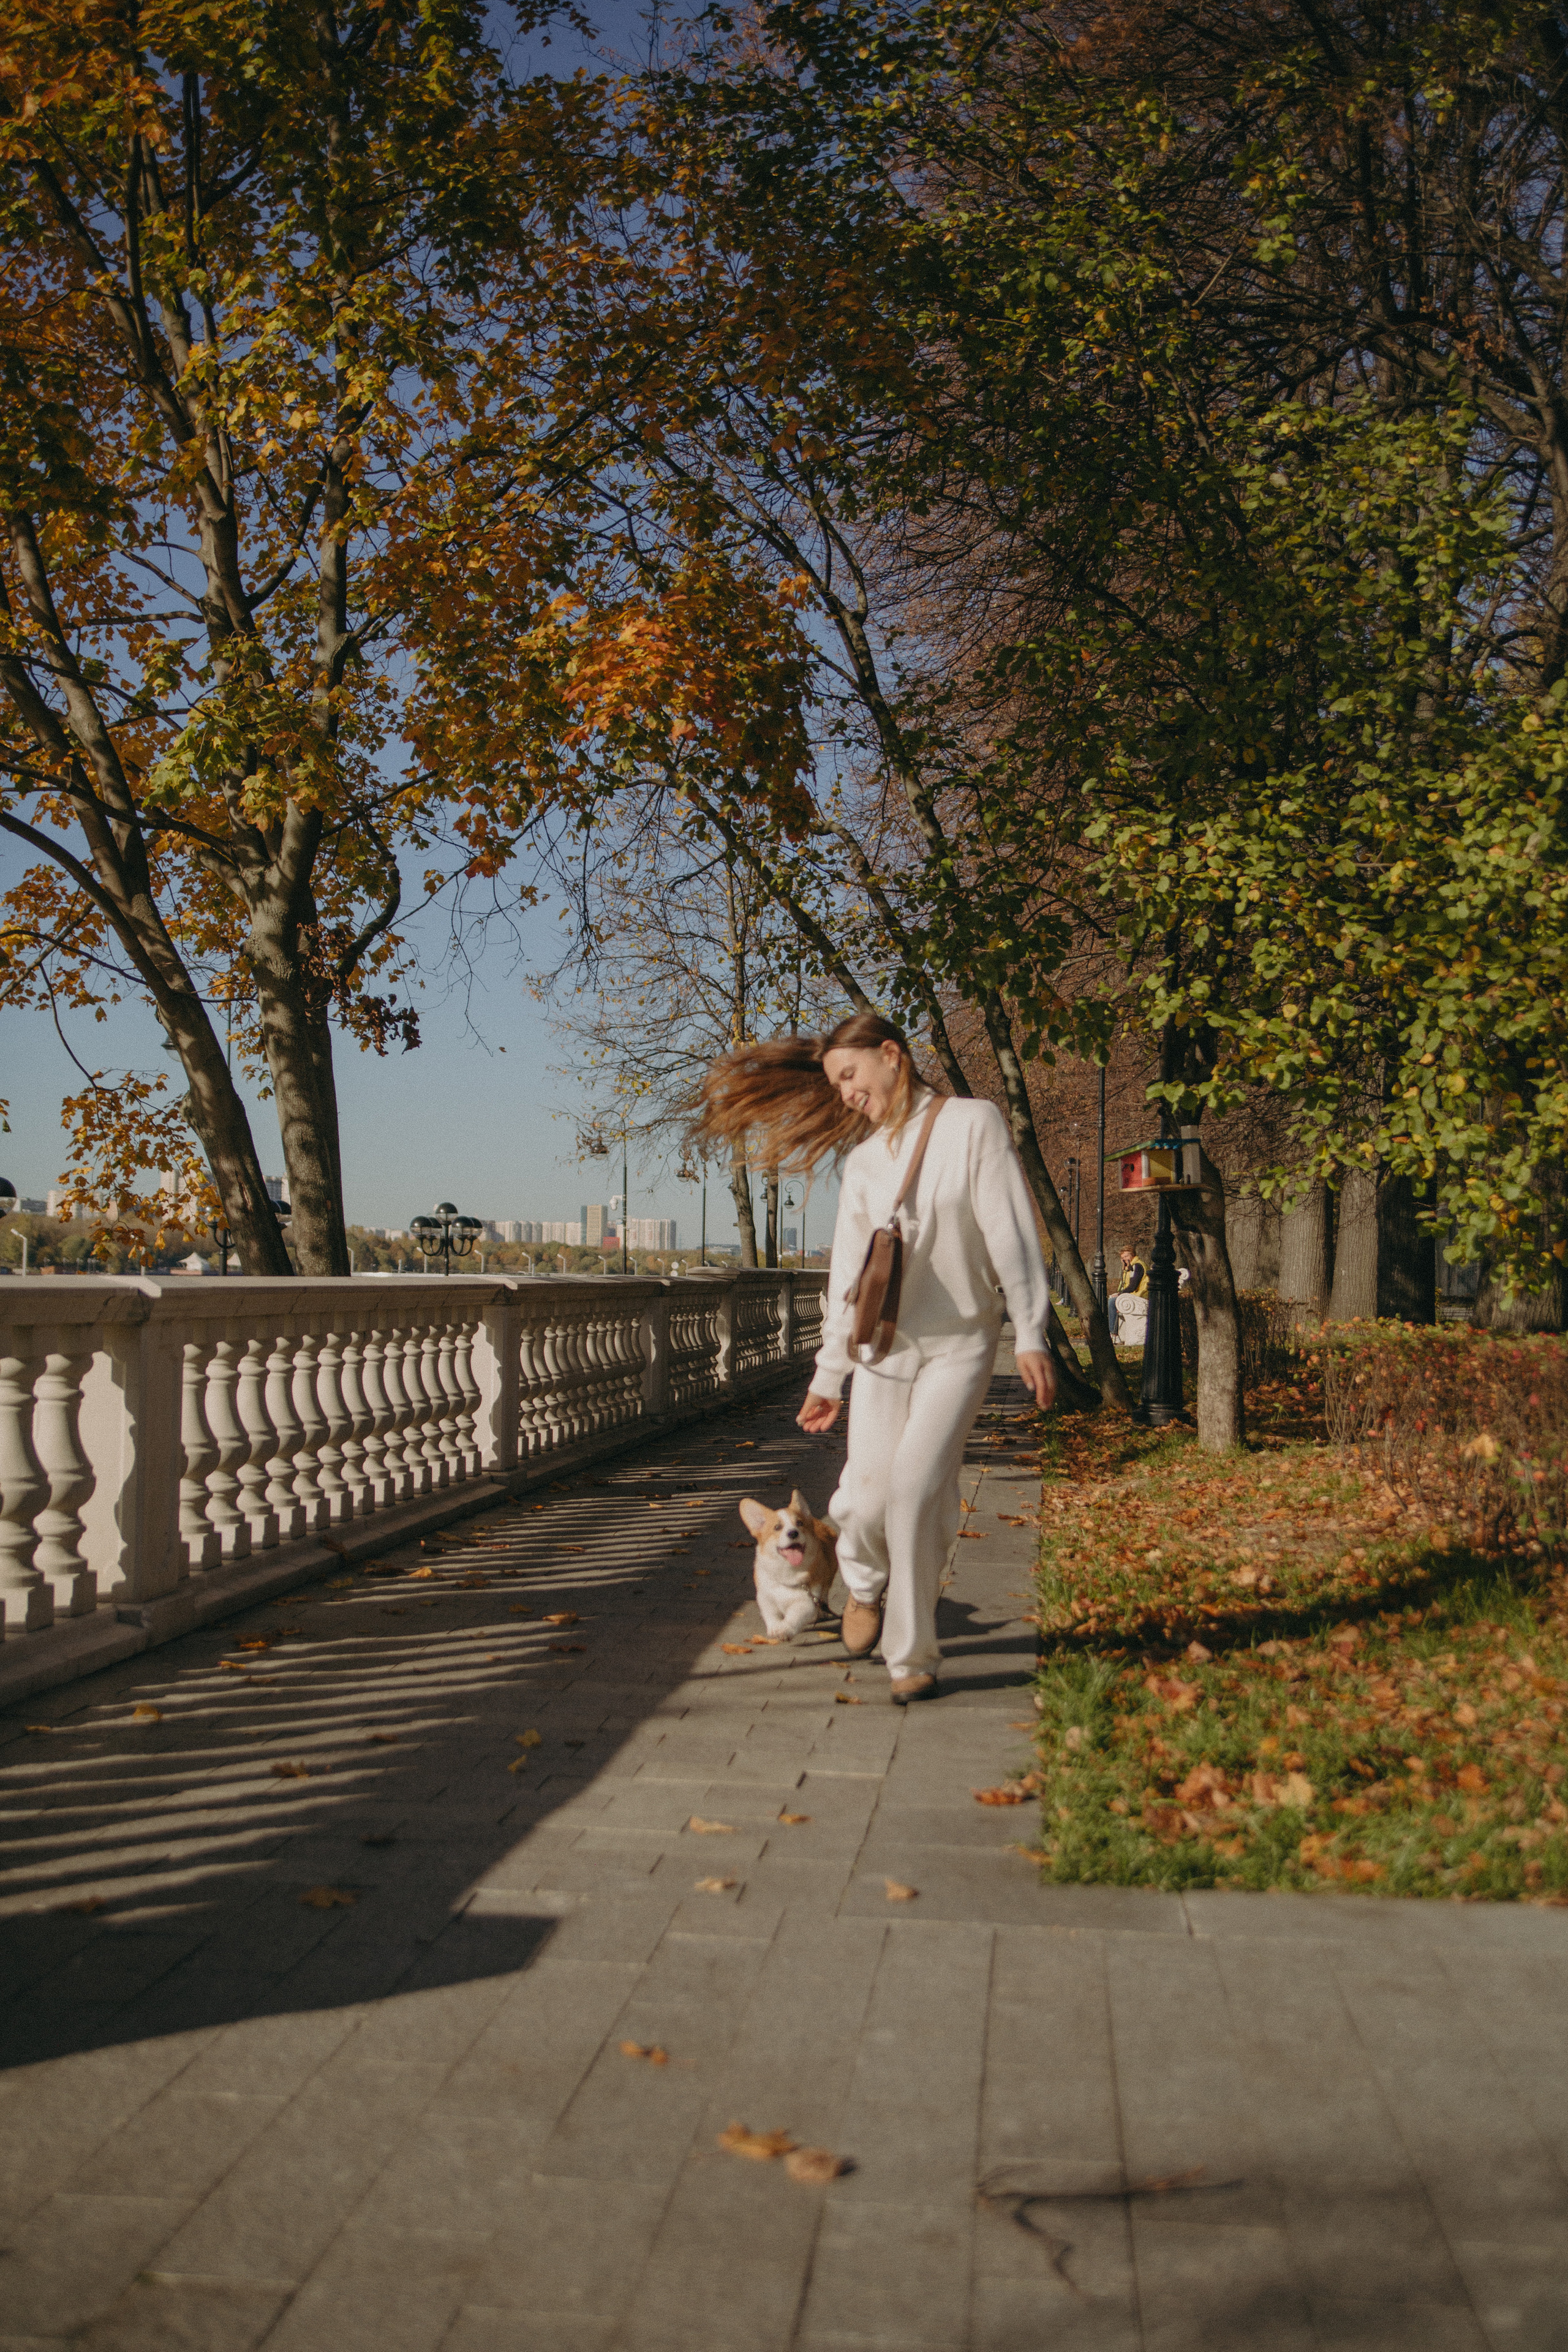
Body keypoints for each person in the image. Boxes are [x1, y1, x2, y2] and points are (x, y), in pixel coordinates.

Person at [694, 1013, 1056, 1703]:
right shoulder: (862, 1165)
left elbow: (1009, 1229)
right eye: (835, 1086)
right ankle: (860, 1581)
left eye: (850, 1076)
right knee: (863, 1501)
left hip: (962, 1344)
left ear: (892, 1056)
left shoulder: (972, 1125)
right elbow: (847, 1281)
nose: (846, 1095)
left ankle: (911, 1654)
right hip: (883, 1350)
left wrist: (1031, 1330)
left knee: (916, 1494)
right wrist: (829, 1373)